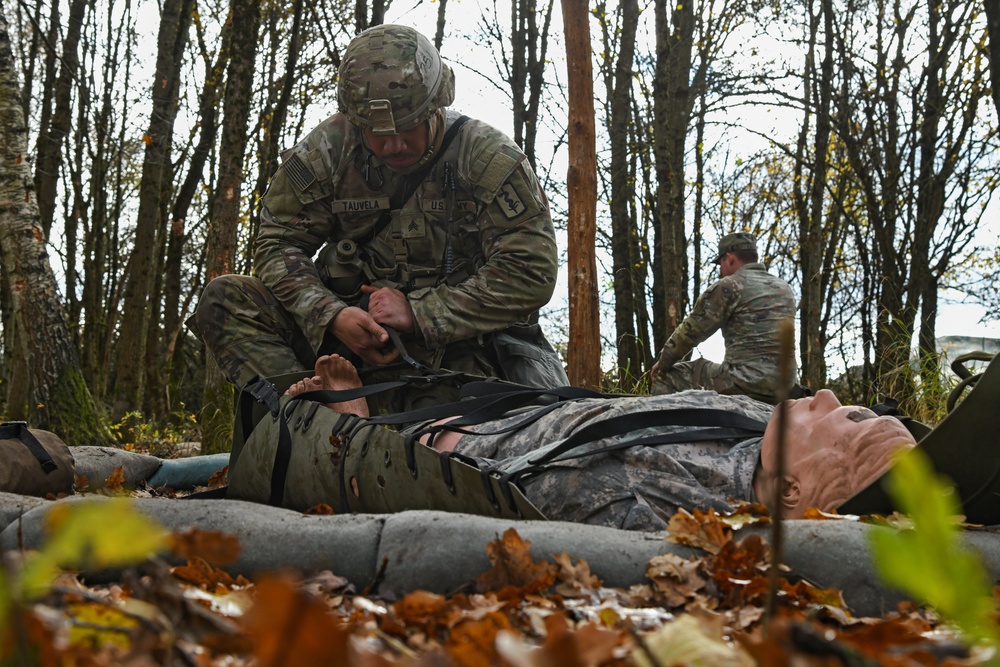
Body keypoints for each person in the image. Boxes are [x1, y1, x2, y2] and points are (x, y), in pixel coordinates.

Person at [187, 24, 564, 413]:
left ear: (436, 105)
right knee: (225, 299)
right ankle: (312, 416)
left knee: (455, 436)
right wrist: (330, 314)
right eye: (376, 133)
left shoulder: (485, 158)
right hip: (345, 346)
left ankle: (368, 426)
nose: (393, 145)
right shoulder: (328, 151)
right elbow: (277, 241)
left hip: (459, 349)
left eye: (408, 128)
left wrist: (419, 312)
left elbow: (530, 270)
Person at [280, 354, 917, 530]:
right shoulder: (763, 424)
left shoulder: (670, 502)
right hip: (539, 415)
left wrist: (426, 453)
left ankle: (360, 436)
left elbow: (523, 498)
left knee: (475, 452)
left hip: (499, 454)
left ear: (793, 491)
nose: (829, 399)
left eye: (844, 422)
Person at [650, 232, 797, 404]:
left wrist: (662, 363)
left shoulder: (729, 286)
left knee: (666, 376)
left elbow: (690, 333)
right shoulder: (784, 288)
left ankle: (670, 428)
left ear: (730, 258)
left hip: (744, 382)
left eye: (720, 263)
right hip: (785, 384)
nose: (720, 269)